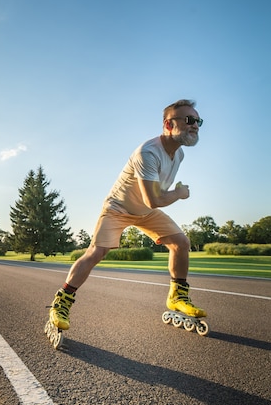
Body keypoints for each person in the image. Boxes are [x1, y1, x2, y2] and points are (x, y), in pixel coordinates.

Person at [49, 99, 206, 331]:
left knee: (181, 243)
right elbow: (153, 199)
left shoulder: (179, 155)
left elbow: (152, 199)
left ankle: (178, 296)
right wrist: (179, 193)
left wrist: (169, 193)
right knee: (96, 252)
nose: (195, 125)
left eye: (198, 121)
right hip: (118, 209)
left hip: (145, 212)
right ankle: (61, 303)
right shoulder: (148, 152)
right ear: (168, 124)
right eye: (189, 120)